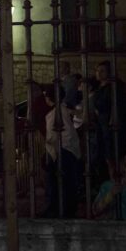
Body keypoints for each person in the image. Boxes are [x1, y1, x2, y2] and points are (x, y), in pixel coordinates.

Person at [42, 84, 83, 218]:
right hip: (70, 149)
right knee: (68, 183)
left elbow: (52, 137)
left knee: (58, 183)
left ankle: (57, 210)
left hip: (61, 151)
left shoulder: (54, 114)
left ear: (49, 98)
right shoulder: (64, 110)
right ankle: (67, 209)